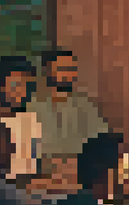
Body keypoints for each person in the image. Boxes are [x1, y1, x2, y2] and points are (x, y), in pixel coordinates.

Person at [30, 48, 109, 189]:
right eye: (61, 69)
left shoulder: (85, 106)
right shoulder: (31, 106)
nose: (67, 74)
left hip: (79, 173)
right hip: (41, 173)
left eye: (71, 69)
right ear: (47, 71)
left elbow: (100, 142)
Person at [0, 55, 42, 180]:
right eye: (16, 85)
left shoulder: (30, 120)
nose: (22, 91)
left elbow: (33, 166)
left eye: (26, 86)